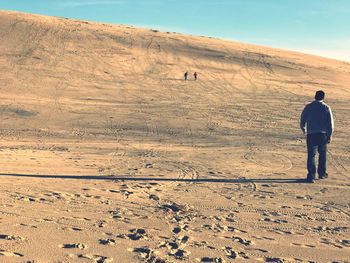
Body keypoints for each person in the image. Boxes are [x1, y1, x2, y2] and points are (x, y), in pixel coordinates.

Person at [300, 90, 334, 183]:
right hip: (322, 134)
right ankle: (322, 173)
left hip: (311, 133)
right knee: (322, 154)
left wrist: (304, 129)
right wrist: (330, 135)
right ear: (323, 97)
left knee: (311, 155)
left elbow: (302, 119)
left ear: (315, 96)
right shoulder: (326, 107)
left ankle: (311, 175)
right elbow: (330, 123)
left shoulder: (309, 106)